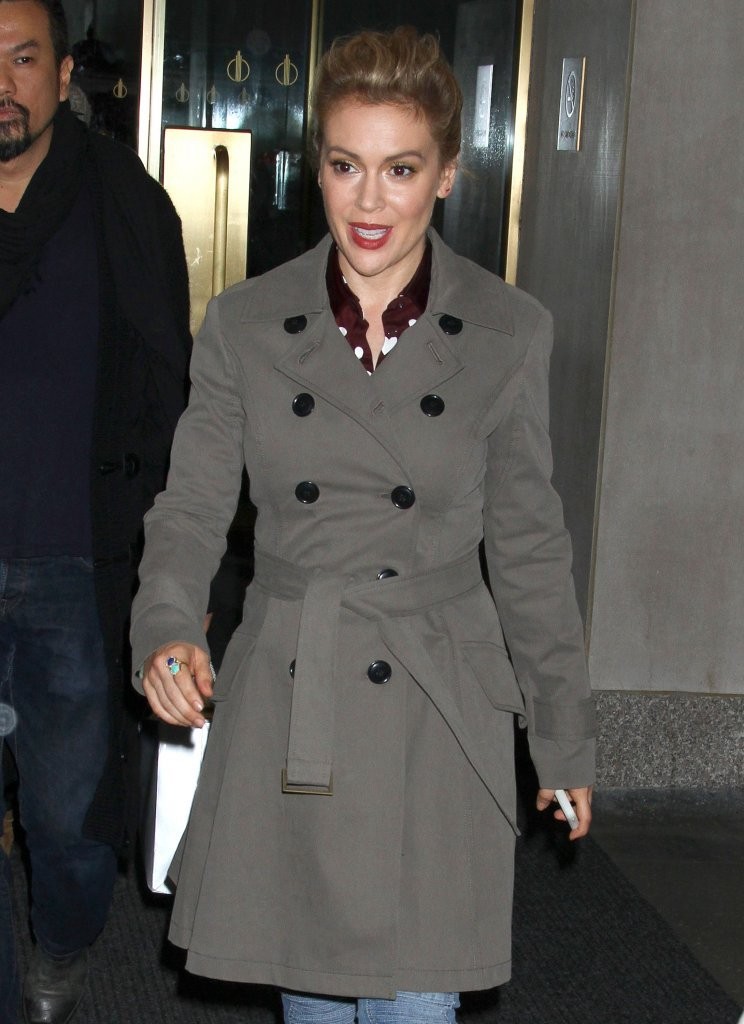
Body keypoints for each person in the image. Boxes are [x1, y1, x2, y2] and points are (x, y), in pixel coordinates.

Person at [131, 26, 594, 1024]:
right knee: (311, 993)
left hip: (440, 702)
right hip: (297, 691)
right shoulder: (245, 324)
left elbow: (528, 547)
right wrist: (166, 624)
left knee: (418, 1000)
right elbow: (192, 505)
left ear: (446, 176)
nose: (370, 202)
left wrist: (562, 734)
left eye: (401, 170)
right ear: (318, 169)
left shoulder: (510, 331)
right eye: (346, 166)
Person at [0, 2, 191, 1022]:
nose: (3, 84)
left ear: (64, 70)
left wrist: (177, 571)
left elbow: (170, 394)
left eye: (23, 58)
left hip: (75, 568)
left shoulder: (124, 204)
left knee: (69, 819)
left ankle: (64, 946)